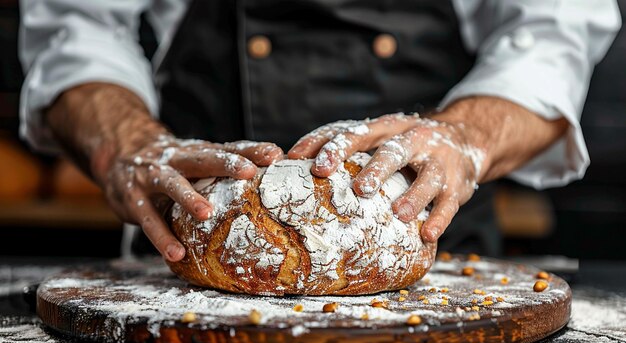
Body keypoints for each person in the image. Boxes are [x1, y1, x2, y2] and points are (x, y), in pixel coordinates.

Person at [18, 1, 620, 262]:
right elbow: (77, 27)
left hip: (434, 265)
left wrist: (461, 136)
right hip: (189, 252)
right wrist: (129, 145)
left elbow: (551, 33)